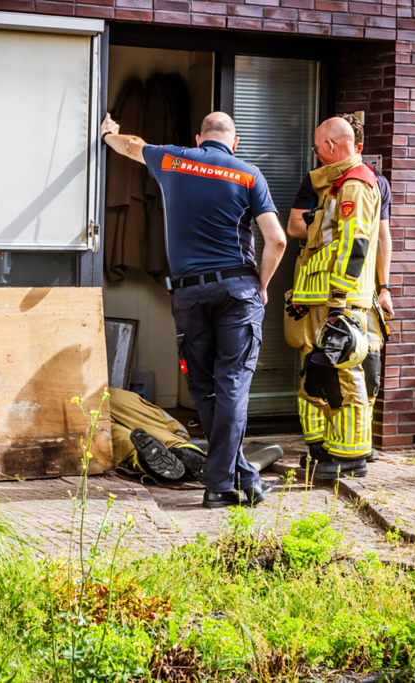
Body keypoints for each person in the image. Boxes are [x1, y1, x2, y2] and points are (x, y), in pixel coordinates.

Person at [100, 111, 287, 508]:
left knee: (204, 387)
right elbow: (277, 240)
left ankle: (243, 477)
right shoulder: (249, 175)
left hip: (188, 295)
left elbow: (131, 146)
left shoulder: (172, 159)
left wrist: (108, 134)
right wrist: (263, 286)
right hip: (237, 292)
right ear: (234, 143)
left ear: (199, 138)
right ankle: (221, 485)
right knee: (231, 386)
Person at [286, 113, 392, 467]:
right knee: (322, 373)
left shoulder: (355, 185)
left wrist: (339, 302)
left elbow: (355, 244)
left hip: (340, 300)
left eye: (317, 147)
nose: (315, 154)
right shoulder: (337, 184)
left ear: (331, 145)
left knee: (344, 373)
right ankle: (327, 448)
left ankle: (350, 455)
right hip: (325, 299)